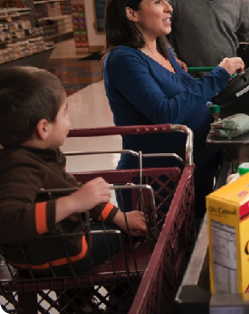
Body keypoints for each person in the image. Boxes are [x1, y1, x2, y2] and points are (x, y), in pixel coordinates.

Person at [102, 0, 245, 217]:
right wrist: (220, 74)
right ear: (131, 13)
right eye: (158, 1)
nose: (169, 8)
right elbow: (165, 113)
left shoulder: (162, 49)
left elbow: (191, 91)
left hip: (192, 167)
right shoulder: (123, 59)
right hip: (158, 181)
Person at [0, 66, 147, 277]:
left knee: (114, 222)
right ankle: (122, 303)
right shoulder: (20, 168)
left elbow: (72, 191)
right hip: (62, 254)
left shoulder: (38, 155)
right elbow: (6, 220)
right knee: (131, 237)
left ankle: (78, 303)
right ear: (43, 128)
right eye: (65, 113)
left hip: (53, 246)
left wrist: (118, 216)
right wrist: (74, 203)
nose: (69, 121)